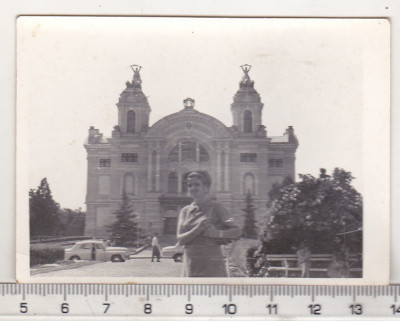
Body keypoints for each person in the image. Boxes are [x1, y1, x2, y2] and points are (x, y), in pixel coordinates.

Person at [177, 170, 241, 277]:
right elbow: (181, 239)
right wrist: (198, 228)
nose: (193, 188)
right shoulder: (185, 211)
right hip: (191, 266)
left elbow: (236, 231)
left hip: (212, 267)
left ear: (206, 187)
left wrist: (217, 233)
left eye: (197, 184)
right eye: (189, 185)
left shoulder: (217, 207)